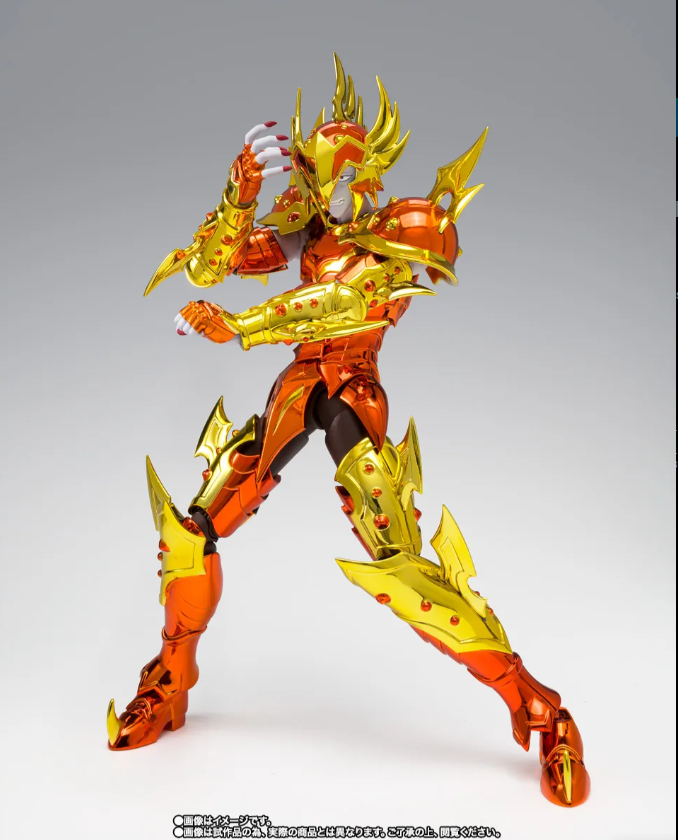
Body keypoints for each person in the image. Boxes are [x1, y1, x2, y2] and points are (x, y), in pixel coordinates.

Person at [107, 55, 590, 809]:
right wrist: (237, 199)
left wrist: (243, 326)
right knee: (190, 532)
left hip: (353, 395)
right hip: (297, 387)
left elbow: (339, 306)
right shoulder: (310, 231)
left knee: (402, 567)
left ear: (364, 172)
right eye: (309, 174)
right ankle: (169, 680)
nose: (319, 191)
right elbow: (208, 268)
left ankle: (542, 710)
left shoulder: (400, 233)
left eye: (328, 174)